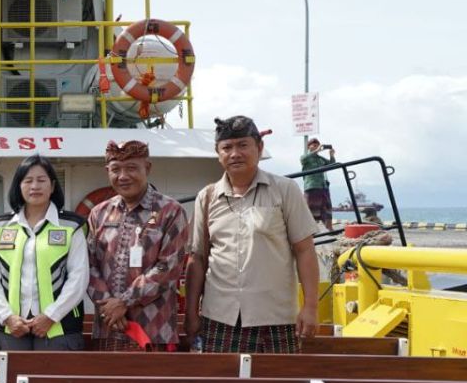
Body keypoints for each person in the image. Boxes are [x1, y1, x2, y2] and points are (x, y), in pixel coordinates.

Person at [185, 116, 320, 353]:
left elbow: (304, 250)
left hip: (275, 319)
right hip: (220, 318)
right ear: (218, 154)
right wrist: (191, 313)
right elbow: (197, 259)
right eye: (227, 148)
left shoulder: (285, 190)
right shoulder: (206, 198)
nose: (235, 153)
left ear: (259, 148)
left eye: (243, 145)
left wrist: (310, 307)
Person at [86, 140, 189, 351]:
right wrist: (109, 307)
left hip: (153, 330)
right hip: (109, 327)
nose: (123, 176)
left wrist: (124, 302)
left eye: (131, 168)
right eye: (115, 169)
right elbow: (87, 265)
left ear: (147, 168)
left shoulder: (170, 211)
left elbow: (168, 266)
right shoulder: (99, 213)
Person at [0, 155, 88, 351]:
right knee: (11, 382)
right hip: (12, 328)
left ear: (52, 186)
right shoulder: (1, 226)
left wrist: (51, 316)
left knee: (55, 382)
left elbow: (79, 277)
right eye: (28, 180)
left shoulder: (71, 226)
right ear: (19, 186)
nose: (35, 186)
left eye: (41, 180)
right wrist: (7, 317)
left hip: (60, 328)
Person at [300, 138, 336, 231]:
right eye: (314, 144)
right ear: (309, 146)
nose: (316, 146)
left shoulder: (320, 159)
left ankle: (329, 227)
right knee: (310, 208)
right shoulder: (306, 157)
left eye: (317, 145)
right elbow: (303, 159)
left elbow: (332, 164)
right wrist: (316, 150)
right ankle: (309, 230)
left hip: (323, 186)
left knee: (327, 206)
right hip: (311, 186)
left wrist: (331, 155)